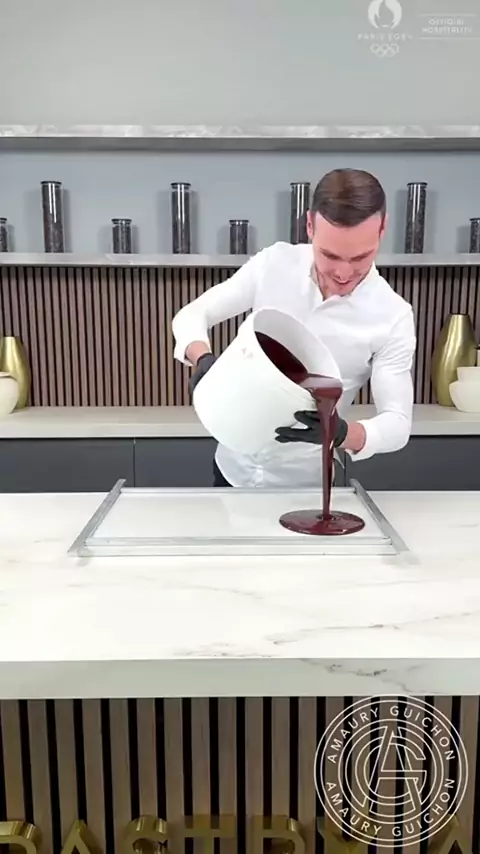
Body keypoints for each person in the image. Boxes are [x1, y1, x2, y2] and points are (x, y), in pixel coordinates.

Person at [172, 168, 416, 489]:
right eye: (329, 255)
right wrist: (202, 358)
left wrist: (343, 432)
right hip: (231, 471)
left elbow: (398, 423)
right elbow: (192, 314)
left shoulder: (393, 316)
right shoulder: (274, 264)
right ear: (310, 225)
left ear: (382, 228)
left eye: (361, 257)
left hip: (308, 486)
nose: (343, 273)